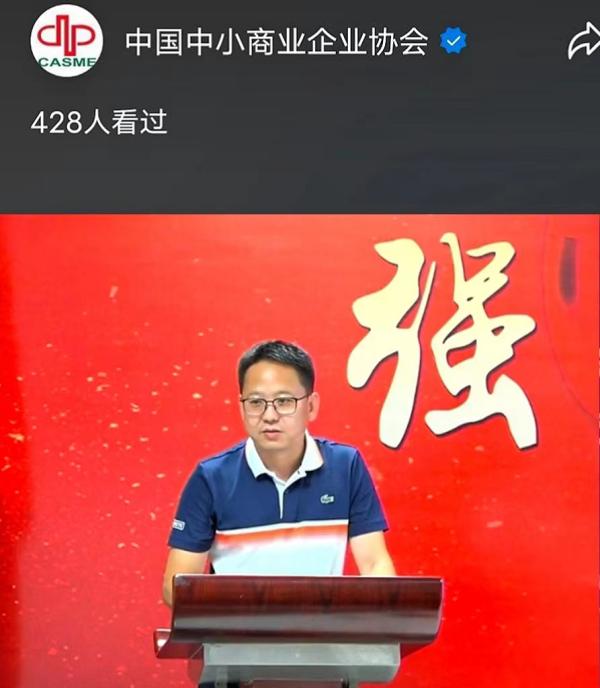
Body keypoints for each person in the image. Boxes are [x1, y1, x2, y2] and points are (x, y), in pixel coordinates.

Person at [163, 340, 395, 606]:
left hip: (320, 631)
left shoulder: (345, 466)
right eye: (256, 402)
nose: (269, 415)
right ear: (241, 407)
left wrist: (382, 617)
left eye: (284, 401)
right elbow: (176, 588)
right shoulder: (211, 478)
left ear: (311, 406)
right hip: (237, 631)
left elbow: (375, 565)